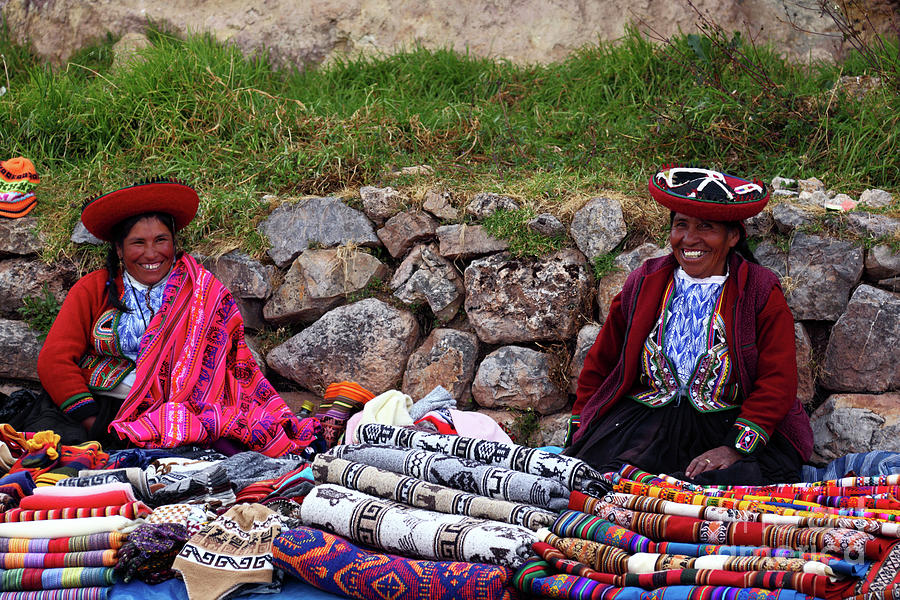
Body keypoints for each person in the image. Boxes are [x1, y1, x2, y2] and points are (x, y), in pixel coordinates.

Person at [566, 165, 813, 485]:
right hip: (646, 420)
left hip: (727, 422)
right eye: (681, 225)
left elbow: (778, 379)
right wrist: (581, 425)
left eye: (706, 227)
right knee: (604, 477)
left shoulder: (759, 291)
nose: (689, 239)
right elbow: (602, 360)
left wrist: (735, 448)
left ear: (733, 236)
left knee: (722, 483)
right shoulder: (646, 282)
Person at [34, 178, 307, 457]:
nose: (151, 253)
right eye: (138, 243)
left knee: (227, 450)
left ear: (173, 242)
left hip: (182, 414)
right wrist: (92, 420)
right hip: (104, 409)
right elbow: (54, 360)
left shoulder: (203, 292)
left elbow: (231, 365)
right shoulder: (95, 288)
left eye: (161, 240)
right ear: (119, 249)